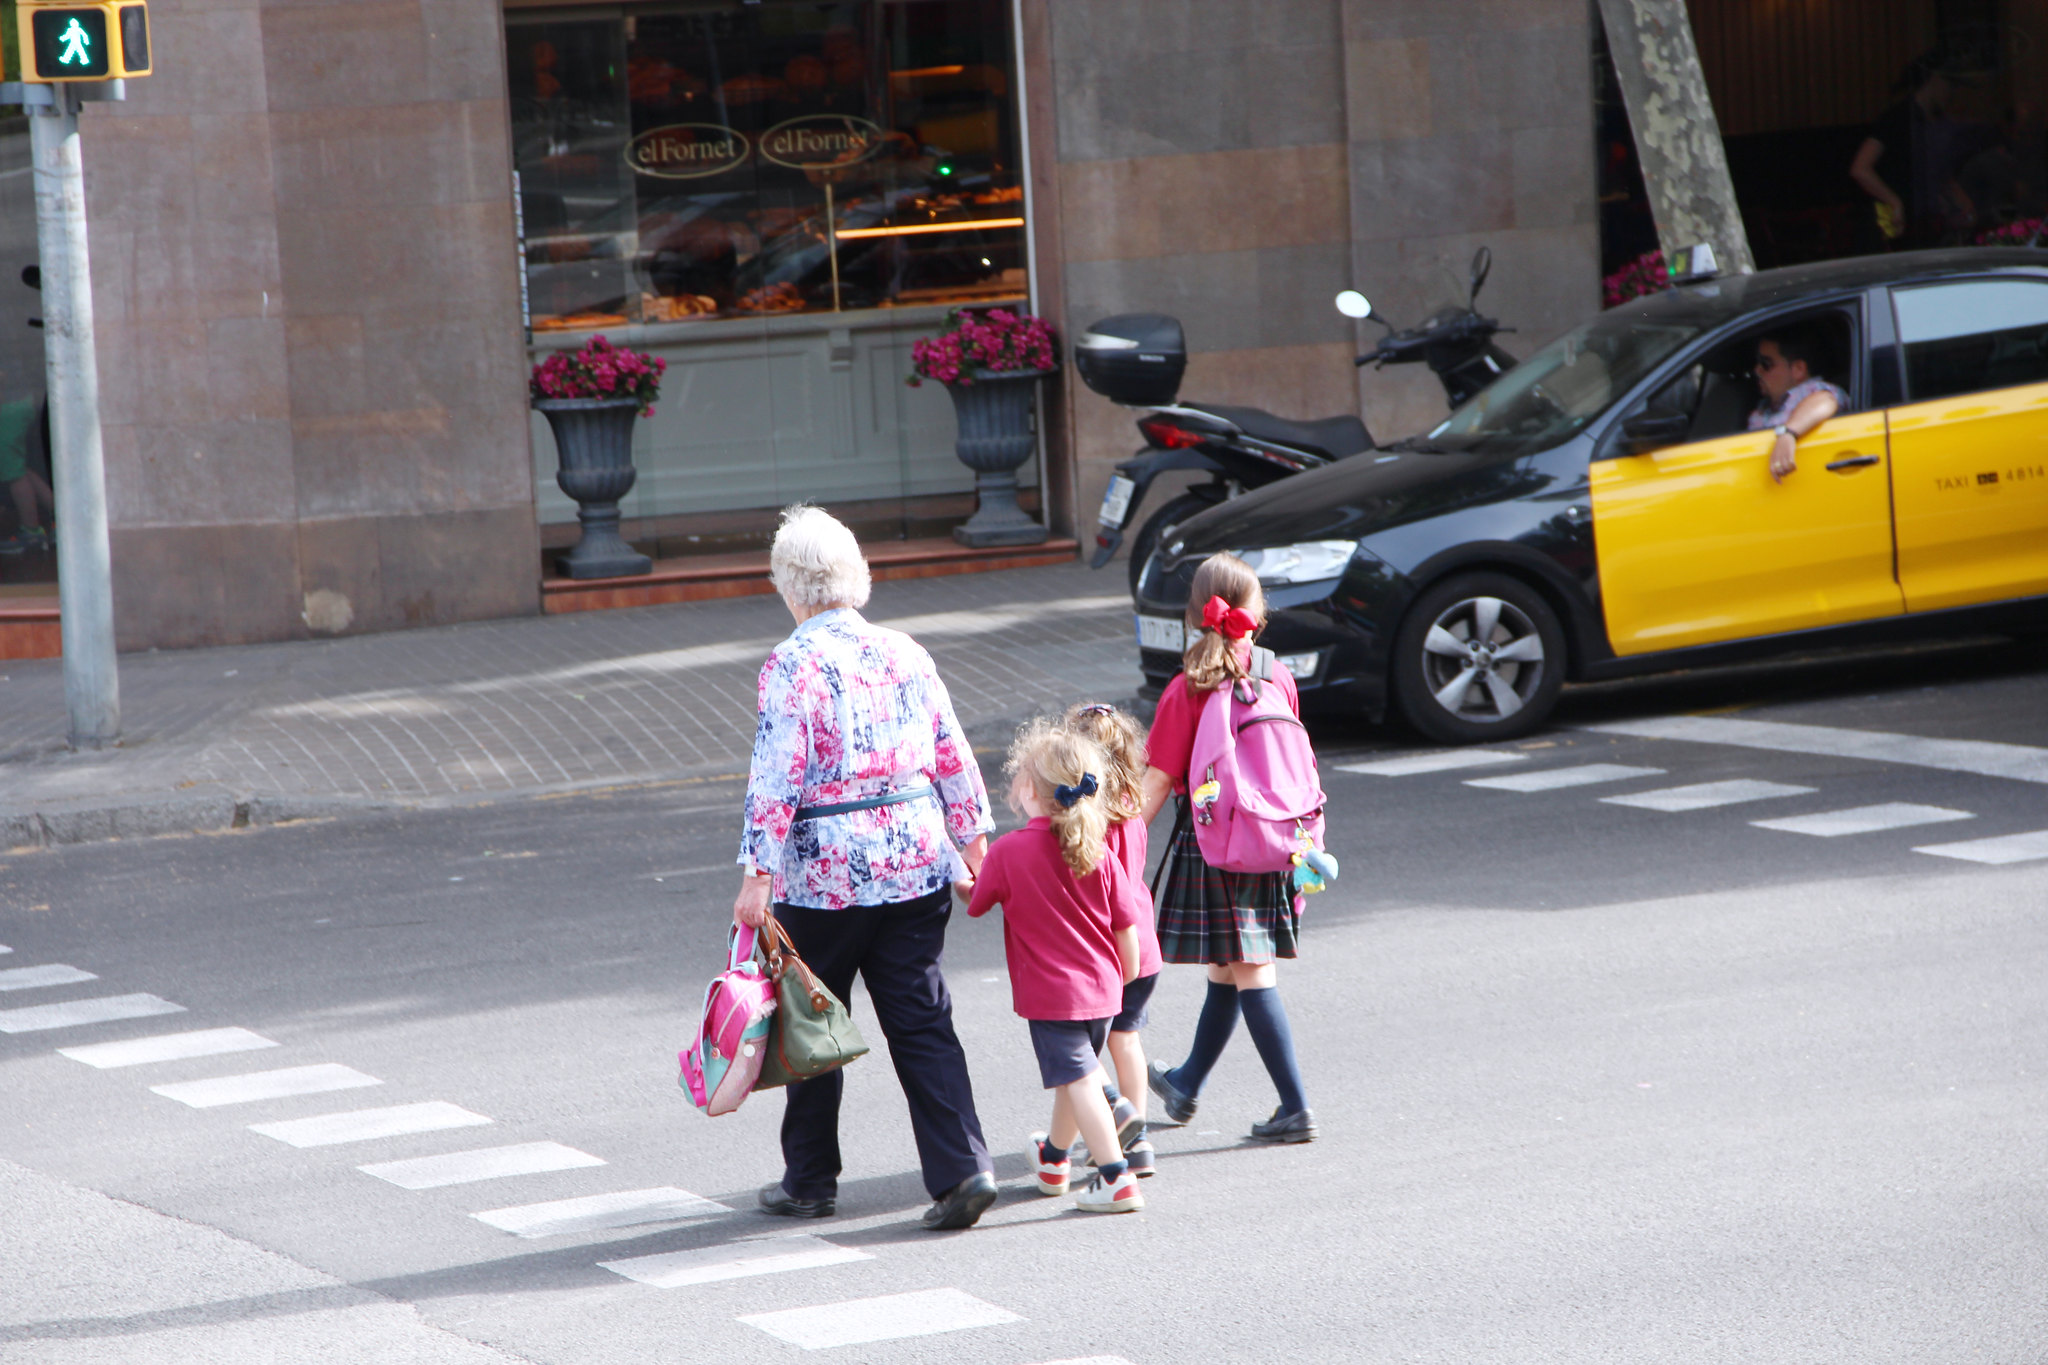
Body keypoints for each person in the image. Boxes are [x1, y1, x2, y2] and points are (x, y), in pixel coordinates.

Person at [734, 505, 1000, 1232]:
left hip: (824, 876)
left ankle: (811, 1178)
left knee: (812, 1017)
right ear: (857, 574)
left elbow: (776, 775)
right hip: (915, 862)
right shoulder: (905, 650)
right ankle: (964, 1168)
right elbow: (952, 750)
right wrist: (974, 841)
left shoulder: (792, 662)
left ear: (790, 586)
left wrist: (757, 873)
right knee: (922, 1017)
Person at [1141, 553, 1316, 1144]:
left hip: (1216, 840)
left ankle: (1295, 1107)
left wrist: (1120, 848)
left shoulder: (1187, 686)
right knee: (1229, 965)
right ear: (1258, 610)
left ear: (1194, 616)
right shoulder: (1279, 675)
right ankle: (1187, 1083)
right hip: (1274, 835)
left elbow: (1160, 779)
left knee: (1250, 969)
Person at [967, 720, 1145, 1213]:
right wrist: (1125, 975)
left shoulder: (1008, 852)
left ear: (1028, 788)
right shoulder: (1100, 850)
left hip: (1053, 996)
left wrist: (961, 877)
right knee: (1078, 1076)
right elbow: (1124, 926)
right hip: (1105, 990)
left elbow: (977, 902)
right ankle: (1053, 1158)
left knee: (1082, 1080)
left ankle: (1115, 1177)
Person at [1063, 700, 1158, 1177]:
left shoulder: (1088, 820)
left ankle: (1108, 1118)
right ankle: (1137, 1137)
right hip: (1144, 943)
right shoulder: (1133, 809)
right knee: (1127, 1040)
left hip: (1105, 947)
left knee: (1078, 1050)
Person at [1852, 52, 1969, 249]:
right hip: (1889, 229)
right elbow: (1860, 168)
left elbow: (1936, 172)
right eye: (1952, 86)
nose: (1953, 93)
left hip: (1919, 226)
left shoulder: (1933, 121)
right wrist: (1894, 201)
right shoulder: (1898, 118)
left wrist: (1958, 199)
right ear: (1936, 79)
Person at [1747, 331, 1846, 485]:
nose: (1757, 370)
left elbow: (1827, 400)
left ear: (1798, 369)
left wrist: (1788, 434)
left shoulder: (1811, 391)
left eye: (1766, 364)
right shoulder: (1763, 408)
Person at [0, 395, 51, 556]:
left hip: (12, 402)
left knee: (14, 472)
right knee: (18, 468)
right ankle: (65, 523)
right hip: (25, 399)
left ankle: (31, 532)